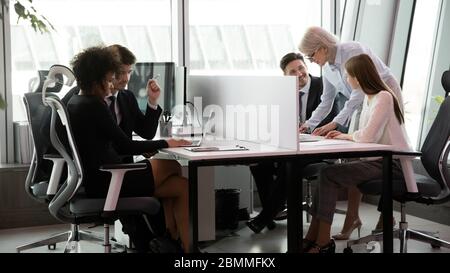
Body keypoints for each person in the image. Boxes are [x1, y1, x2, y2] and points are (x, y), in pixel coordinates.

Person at [67, 46, 192, 252]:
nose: (116, 81)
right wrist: (166, 143)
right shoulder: (94, 105)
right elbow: (124, 145)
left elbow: (140, 135)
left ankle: (177, 244)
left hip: (100, 176)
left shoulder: (77, 101)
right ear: (96, 79)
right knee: (170, 166)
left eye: (126, 72)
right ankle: (176, 244)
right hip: (108, 178)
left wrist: (153, 104)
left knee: (181, 186)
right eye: (110, 77)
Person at [298, 26, 405, 238]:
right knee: (356, 157)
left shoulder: (352, 51)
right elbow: (326, 101)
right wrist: (309, 125)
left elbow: (359, 90)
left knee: (387, 146)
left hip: (381, 92)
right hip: (365, 100)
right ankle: (352, 217)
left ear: (321, 48)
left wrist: (336, 124)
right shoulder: (327, 68)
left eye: (310, 56)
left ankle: (385, 215)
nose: (310, 61)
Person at [246, 52, 338, 234]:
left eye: (301, 68)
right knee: (258, 164)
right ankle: (271, 212)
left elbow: (331, 117)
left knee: (288, 165)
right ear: (285, 76)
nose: (299, 74)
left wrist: (308, 131)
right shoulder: (283, 92)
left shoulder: (323, 85)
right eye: (292, 72)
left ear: (306, 66)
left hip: (320, 147)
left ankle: (264, 217)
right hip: (292, 146)